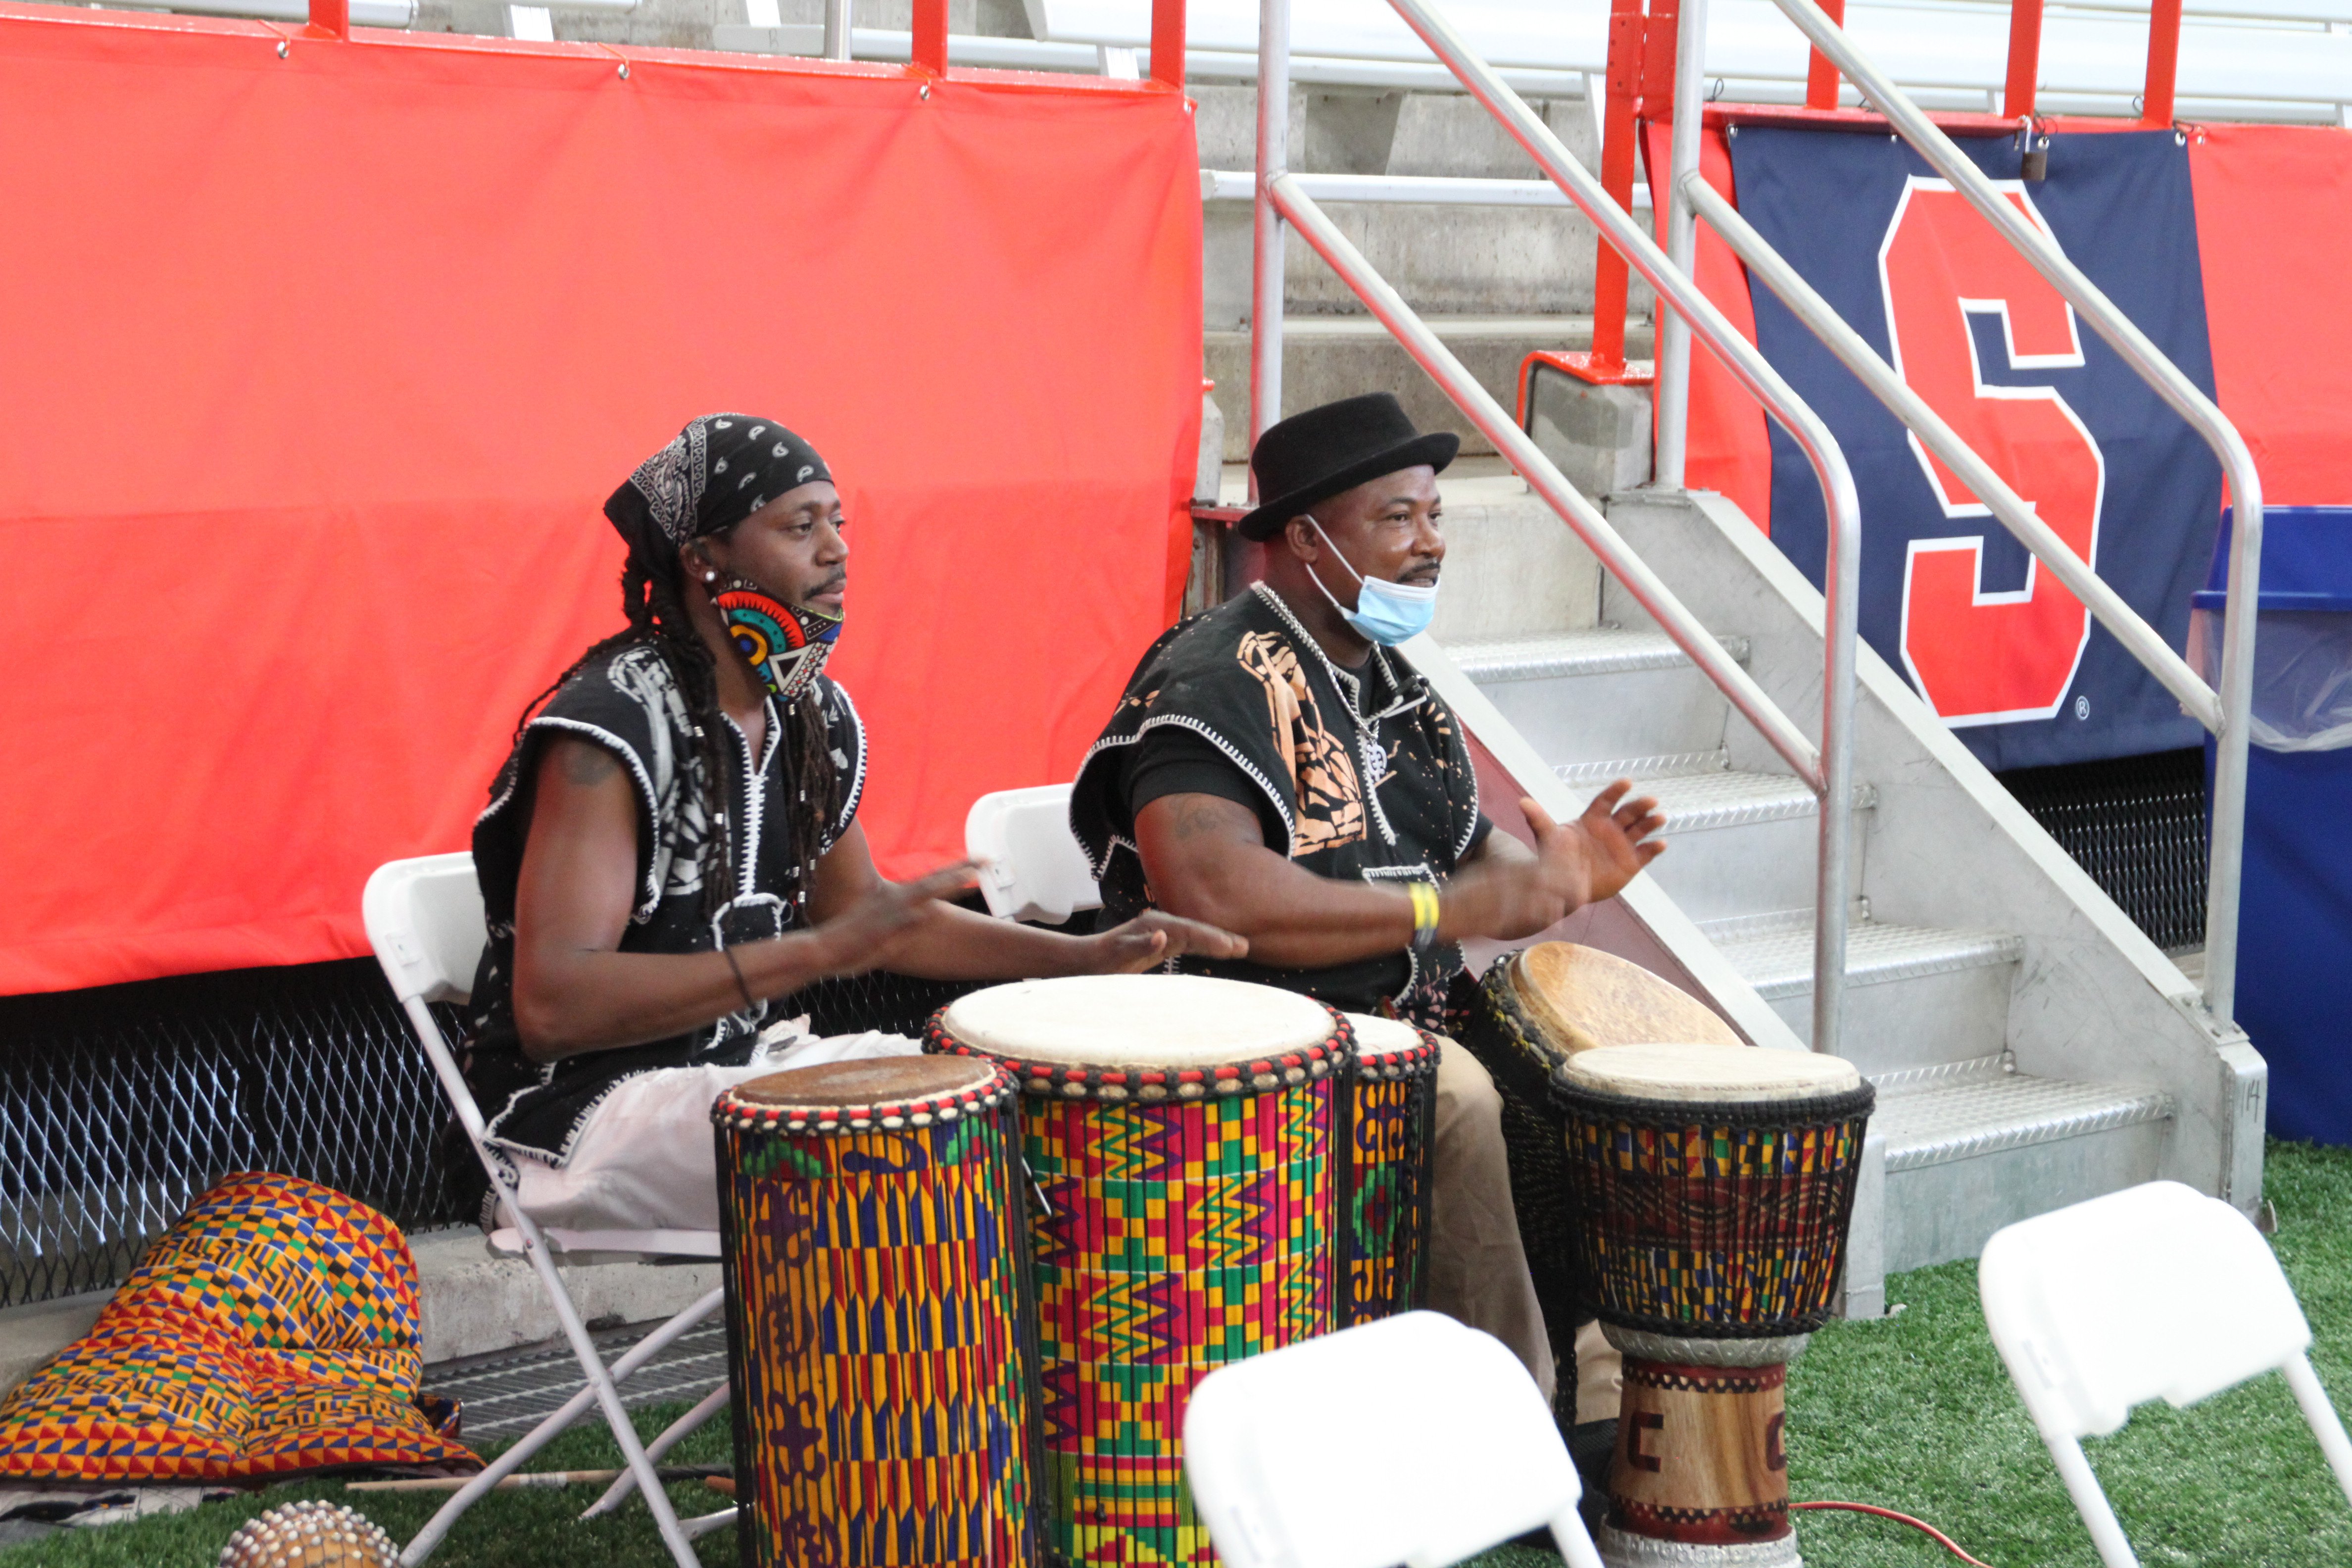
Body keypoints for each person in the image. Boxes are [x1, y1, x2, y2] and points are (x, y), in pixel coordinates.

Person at [459, 413, 1242, 1233]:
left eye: (839, 522)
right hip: (567, 1122)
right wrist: (811, 955)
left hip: (736, 1071)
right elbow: (555, 1010)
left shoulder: (806, 714)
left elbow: (869, 921)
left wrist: (1085, 958)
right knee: (923, 1149)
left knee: (1031, 1109)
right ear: (702, 557)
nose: (836, 549)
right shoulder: (612, 729)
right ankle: (858, 1366)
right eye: (801, 527)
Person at [1070, 392, 1667, 1422]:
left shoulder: (1397, 688)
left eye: (1437, 516)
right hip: (1245, 1019)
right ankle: (1506, 1430)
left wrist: (1554, 883)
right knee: (1465, 1097)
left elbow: (1479, 879)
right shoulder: (1212, 675)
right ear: (1305, 537)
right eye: (1397, 518)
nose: (1430, 543)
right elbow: (1214, 893)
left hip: (1397, 1014)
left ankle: (1619, 1401)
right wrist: (1450, 907)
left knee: (1619, 1085)